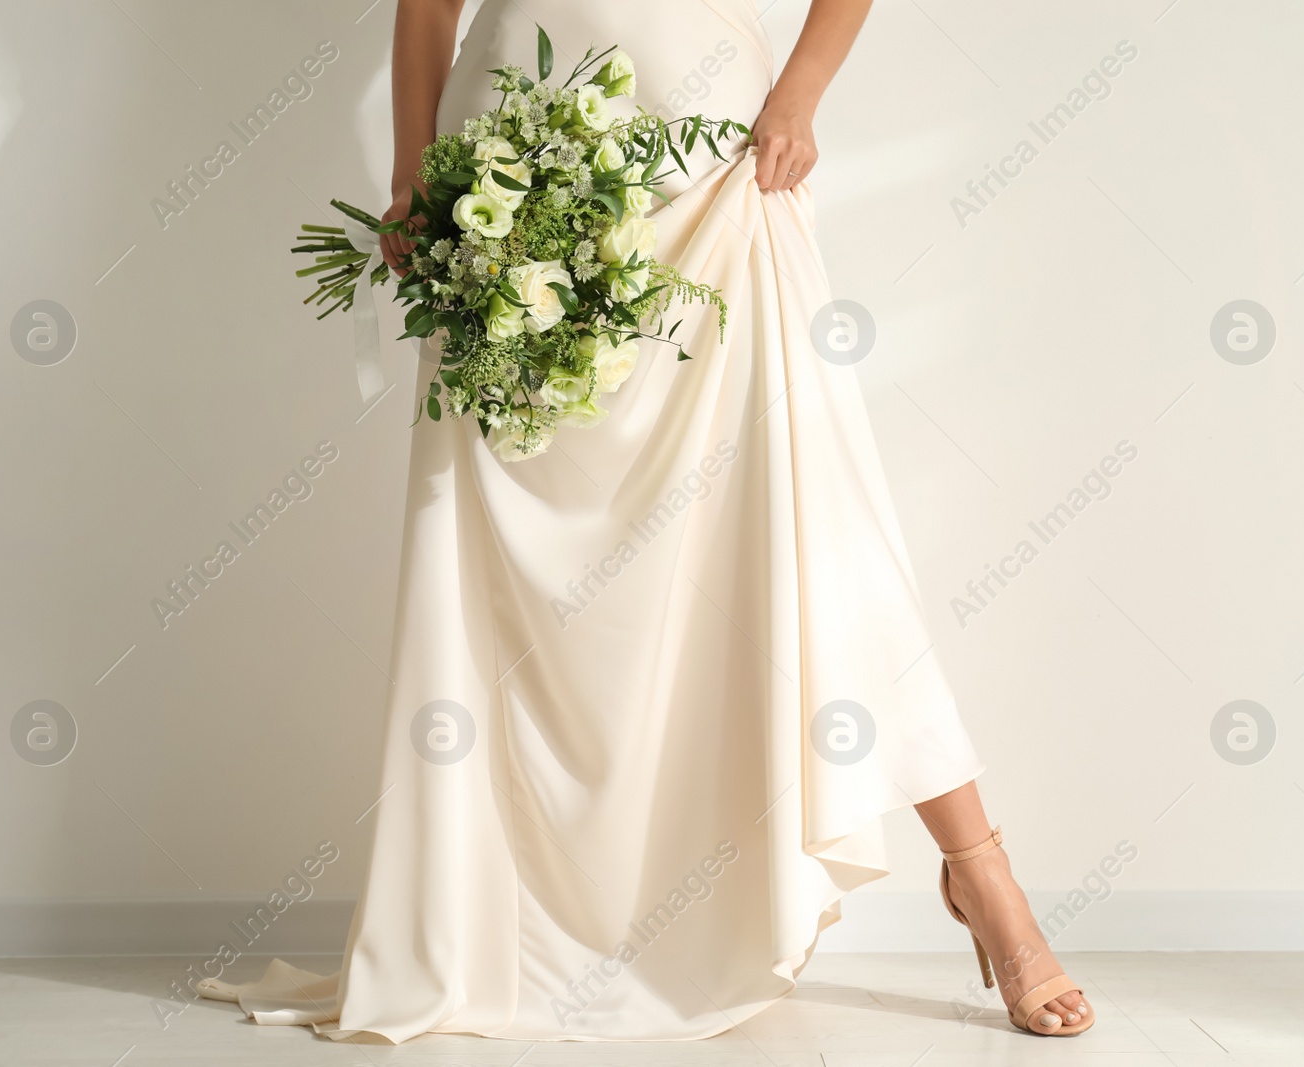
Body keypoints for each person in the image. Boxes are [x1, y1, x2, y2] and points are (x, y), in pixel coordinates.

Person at [198, 0, 1091, 1041]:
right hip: (508, 179)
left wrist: (798, 94)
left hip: (714, 174)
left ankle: (985, 876)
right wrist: (412, 178)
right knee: (509, 573)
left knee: (818, 524)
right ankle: (502, 927)